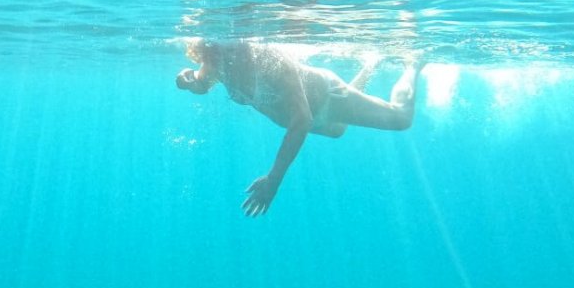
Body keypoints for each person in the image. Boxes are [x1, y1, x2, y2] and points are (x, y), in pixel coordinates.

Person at [176, 39, 421, 216]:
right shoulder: (218, 61)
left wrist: (274, 179)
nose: (227, 56)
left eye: (232, 48)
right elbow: (202, 84)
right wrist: (185, 82)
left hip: (329, 99)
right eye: (217, 52)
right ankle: (370, 65)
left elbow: (301, 120)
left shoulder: (270, 61)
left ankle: (413, 62)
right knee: (338, 131)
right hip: (316, 119)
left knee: (400, 118)